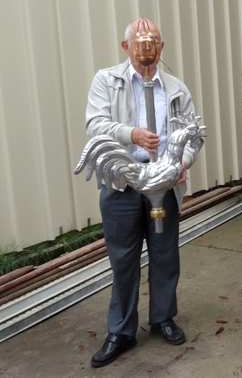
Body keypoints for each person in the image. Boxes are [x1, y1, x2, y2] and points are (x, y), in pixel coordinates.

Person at [85, 18, 200, 367]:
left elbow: (194, 133)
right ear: (126, 47)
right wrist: (130, 134)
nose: (147, 48)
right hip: (123, 184)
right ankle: (121, 330)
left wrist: (184, 162)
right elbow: (94, 124)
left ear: (161, 47)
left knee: (165, 255)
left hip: (164, 185)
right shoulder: (107, 81)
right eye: (139, 42)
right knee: (123, 260)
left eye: (154, 42)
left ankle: (163, 317)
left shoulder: (176, 88)